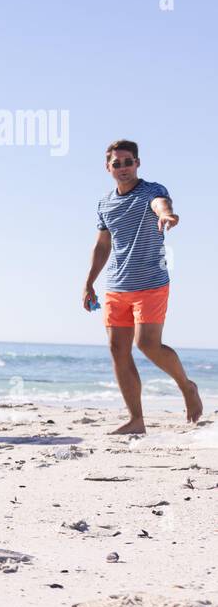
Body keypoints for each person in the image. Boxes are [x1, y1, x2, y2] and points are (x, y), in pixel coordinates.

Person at [83, 139, 202, 434]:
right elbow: (102, 245)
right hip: (116, 285)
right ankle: (136, 420)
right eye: (117, 163)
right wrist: (89, 283)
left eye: (128, 162)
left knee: (147, 344)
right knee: (117, 349)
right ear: (108, 168)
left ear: (138, 163)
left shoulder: (152, 190)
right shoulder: (104, 203)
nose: (123, 168)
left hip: (151, 282)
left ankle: (187, 386)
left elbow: (160, 205)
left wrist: (165, 215)